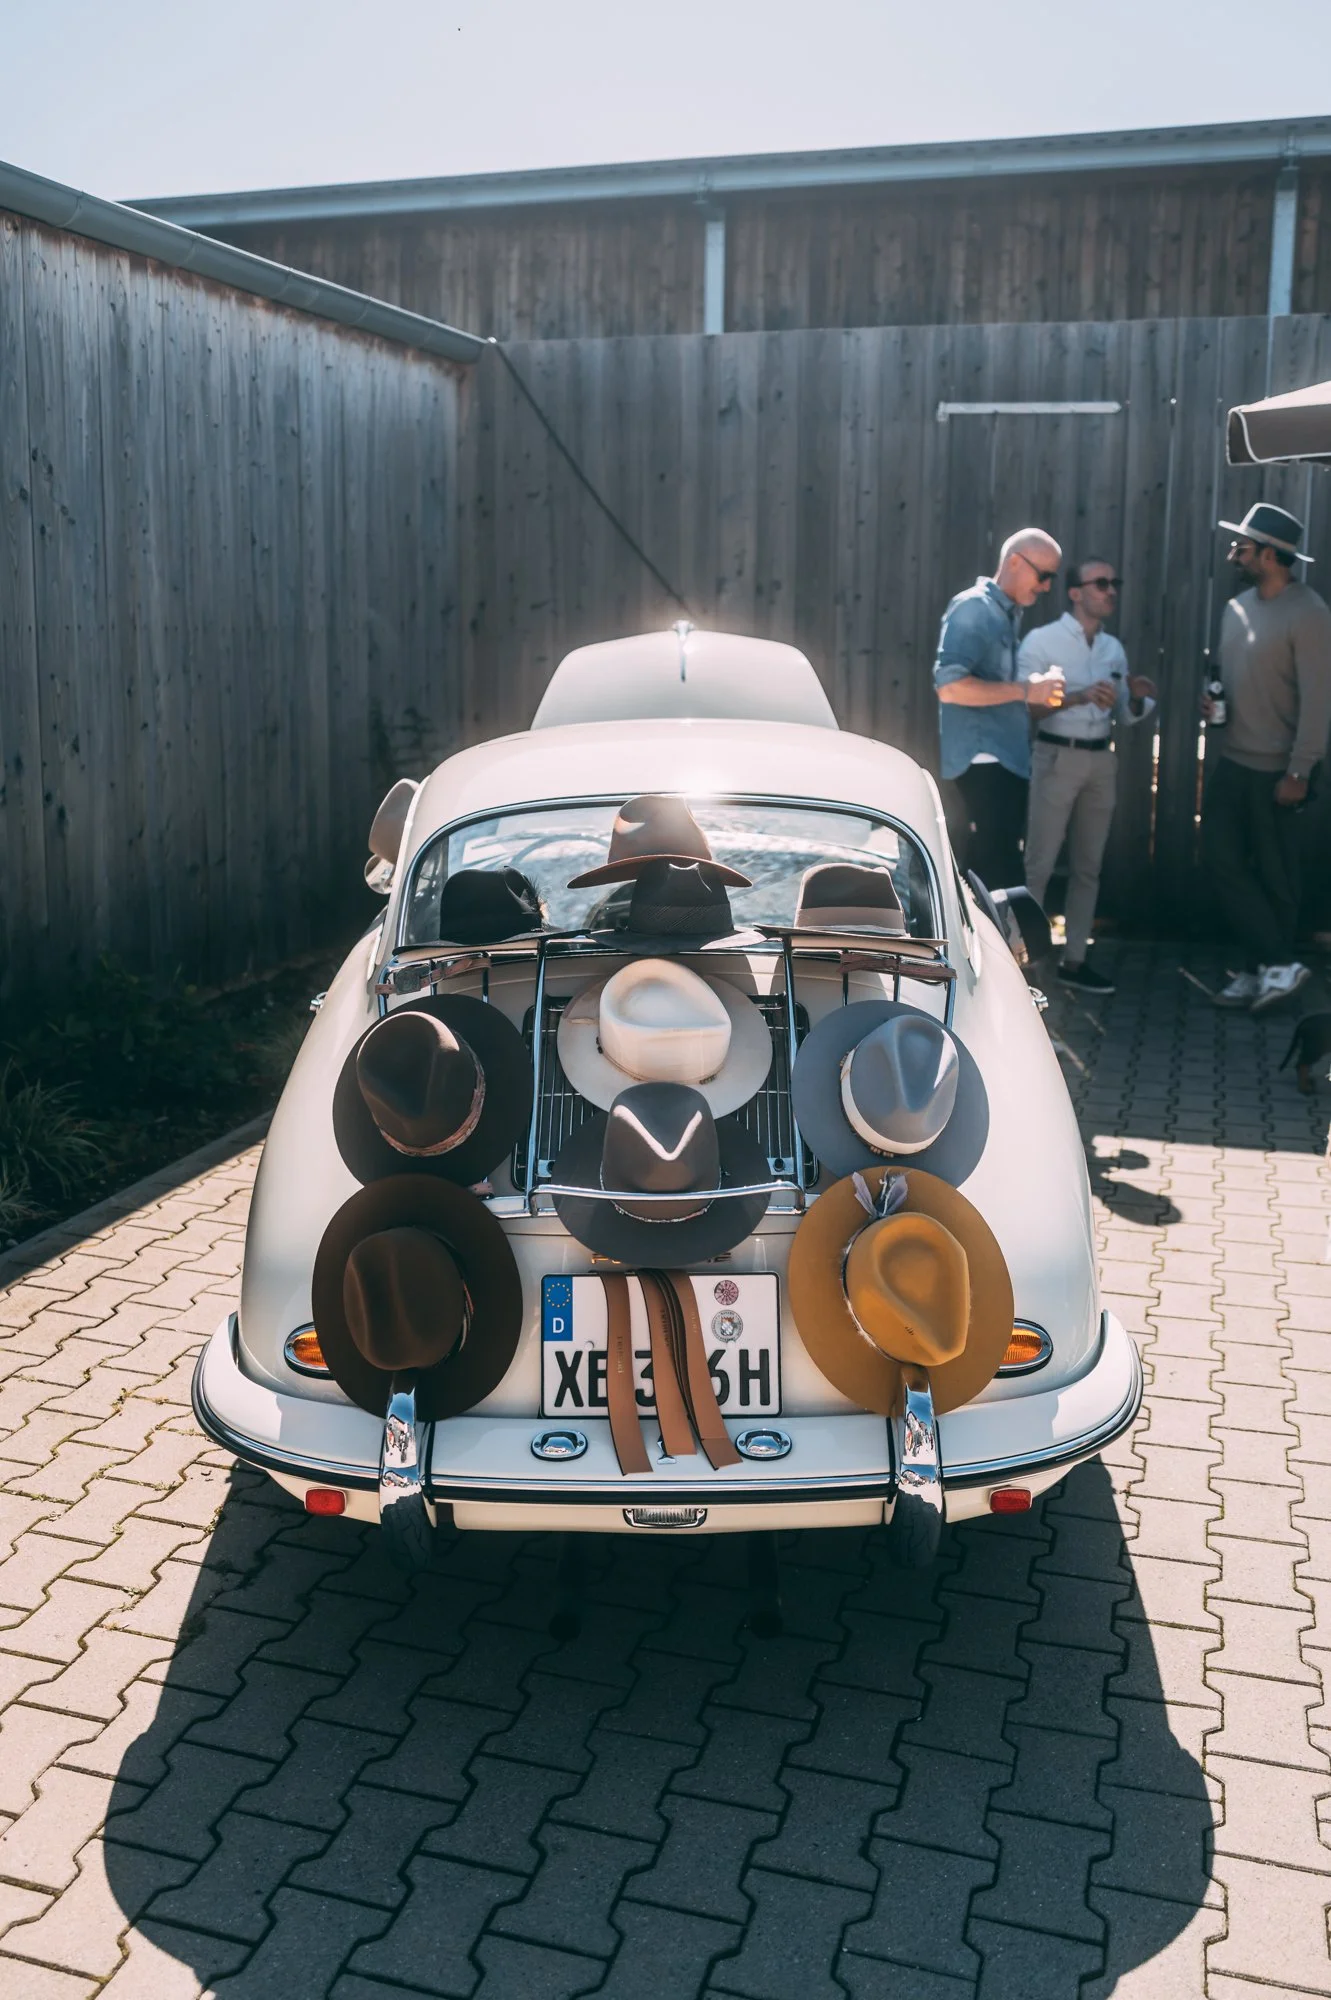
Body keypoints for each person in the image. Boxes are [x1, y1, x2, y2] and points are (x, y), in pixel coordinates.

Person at [1202, 503, 1331, 1013]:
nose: (1234, 553)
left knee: (1277, 878)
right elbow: (1231, 682)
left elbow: (1320, 700)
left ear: (1273, 556)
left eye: (1243, 547)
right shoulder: (1237, 608)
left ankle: (1268, 970)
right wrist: (1212, 706)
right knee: (1222, 862)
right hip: (1233, 762)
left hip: (1280, 772)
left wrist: (1300, 769)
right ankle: (1273, 965)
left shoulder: (1311, 614)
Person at [1018, 560, 1157, 994]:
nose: (1111, 590)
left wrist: (1136, 701)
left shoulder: (1113, 648)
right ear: (1075, 592)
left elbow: (1124, 716)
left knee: (1088, 868)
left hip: (1101, 761)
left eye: (1115, 582)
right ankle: (1024, 963)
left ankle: (1074, 961)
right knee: (1039, 864)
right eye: (1101, 583)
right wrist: (1078, 696)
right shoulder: (1042, 640)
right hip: (1058, 755)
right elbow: (1028, 706)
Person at [933, 529, 1066, 890]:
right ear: (1014, 563)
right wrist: (1027, 690)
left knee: (999, 876)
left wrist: (1032, 692)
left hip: (1001, 762)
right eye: (1044, 575)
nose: (1047, 587)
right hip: (984, 765)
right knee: (994, 880)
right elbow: (949, 686)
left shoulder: (1005, 611)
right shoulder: (975, 607)